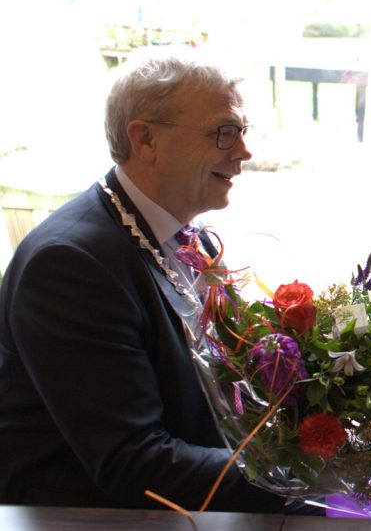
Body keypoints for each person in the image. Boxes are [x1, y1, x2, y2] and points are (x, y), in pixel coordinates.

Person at [0, 46, 285, 513]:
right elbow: (133, 464)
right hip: (86, 518)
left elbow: (226, 388)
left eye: (242, 131)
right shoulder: (70, 265)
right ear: (145, 140)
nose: (244, 151)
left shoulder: (190, 239)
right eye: (224, 132)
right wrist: (299, 480)